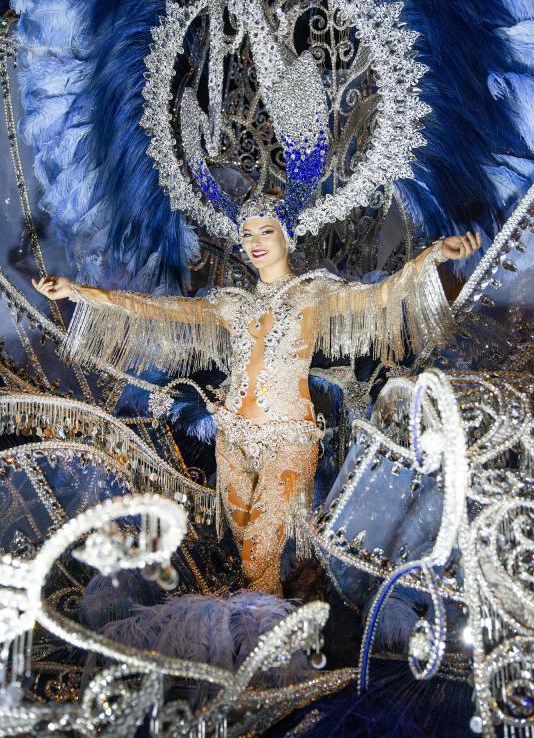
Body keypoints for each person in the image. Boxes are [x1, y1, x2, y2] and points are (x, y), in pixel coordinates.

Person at [32, 194, 481, 595]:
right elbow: (154, 308)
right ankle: (270, 648)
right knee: (247, 557)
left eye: (266, 230)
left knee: (257, 556)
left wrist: (435, 255)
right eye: (247, 234)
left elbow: (381, 295)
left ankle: (273, 657)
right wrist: (77, 292)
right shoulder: (231, 303)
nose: (255, 241)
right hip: (232, 439)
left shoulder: (314, 294)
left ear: (288, 236)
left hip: (288, 442)